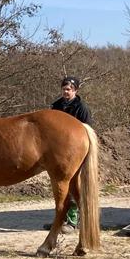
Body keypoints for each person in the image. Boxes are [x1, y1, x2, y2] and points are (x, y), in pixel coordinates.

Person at [48, 76, 91, 229]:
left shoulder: (81, 108)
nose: (66, 92)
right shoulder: (56, 105)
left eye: (69, 89)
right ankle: (60, 219)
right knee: (60, 187)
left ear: (75, 90)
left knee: (73, 186)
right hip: (57, 152)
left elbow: (87, 130)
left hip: (74, 151)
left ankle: (73, 220)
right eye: (64, 89)